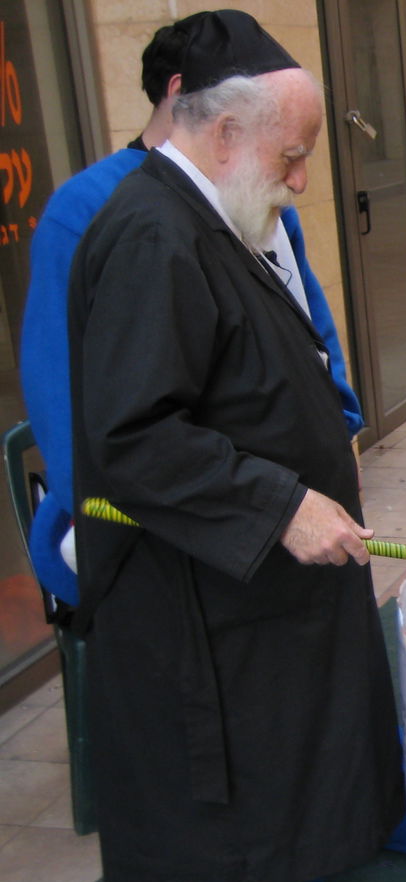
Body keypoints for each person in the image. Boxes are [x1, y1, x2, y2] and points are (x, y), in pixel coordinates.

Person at [66, 12, 403, 882]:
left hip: (245, 588)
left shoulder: (215, 215)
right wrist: (278, 504)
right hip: (191, 600)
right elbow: (132, 437)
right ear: (223, 137)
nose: (302, 181)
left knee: (271, 769)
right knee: (214, 795)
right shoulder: (152, 235)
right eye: (294, 155)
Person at [19, 12, 364, 612]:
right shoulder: (102, 212)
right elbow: (75, 403)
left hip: (279, 537)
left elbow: (307, 321)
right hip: (186, 551)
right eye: (288, 154)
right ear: (191, 102)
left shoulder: (256, 192)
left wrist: (336, 429)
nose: (299, 181)